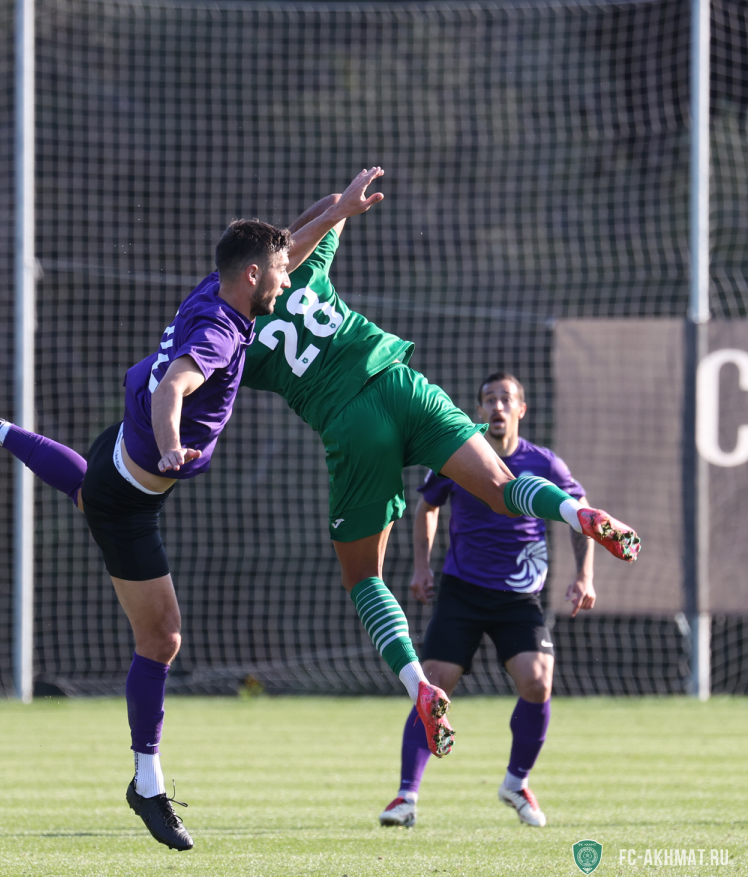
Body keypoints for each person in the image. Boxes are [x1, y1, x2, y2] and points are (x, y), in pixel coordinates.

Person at [0, 172, 385, 850]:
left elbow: (288, 247)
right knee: (162, 639)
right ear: (252, 275)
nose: (287, 281)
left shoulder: (217, 288)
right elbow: (175, 385)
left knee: (87, 488)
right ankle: (147, 783)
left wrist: (339, 210)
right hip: (131, 499)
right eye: (279, 275)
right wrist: (173, 445)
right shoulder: (222, 333)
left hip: (114, 452)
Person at [240, 184, 639, 766]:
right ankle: (578, 512)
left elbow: (200, 371)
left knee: (364, 577)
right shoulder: (302, 271)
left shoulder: (234, 338)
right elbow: (323, 213)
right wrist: (326, 218)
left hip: (352, 426)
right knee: (505, 490)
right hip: (402, 384)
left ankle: (420, 687)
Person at [377, 373, 594, 829]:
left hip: (519, 598)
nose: (497, 406)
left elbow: (581, 515)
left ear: (521, 409)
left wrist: (584, 576)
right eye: (489, 399)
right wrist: (421, 567)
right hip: (463, 591)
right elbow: (428, 506)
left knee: (538, 682)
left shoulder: (543, 463)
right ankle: (405, 796)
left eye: (506, 399)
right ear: (478, 410)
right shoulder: (460, 456)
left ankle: (516, 783)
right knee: (433, 686)